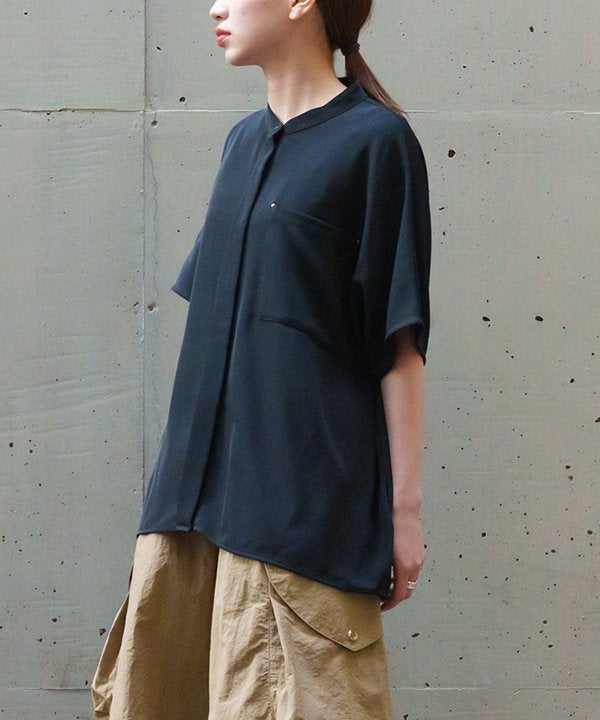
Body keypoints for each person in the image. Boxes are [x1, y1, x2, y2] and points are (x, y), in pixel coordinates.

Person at [91, 0, 431, 718]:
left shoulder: (375, 142)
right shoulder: (242, 143)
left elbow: (398, 342)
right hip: (188, 516)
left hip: (294, 520)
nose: (216, 6)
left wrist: (404, 515)